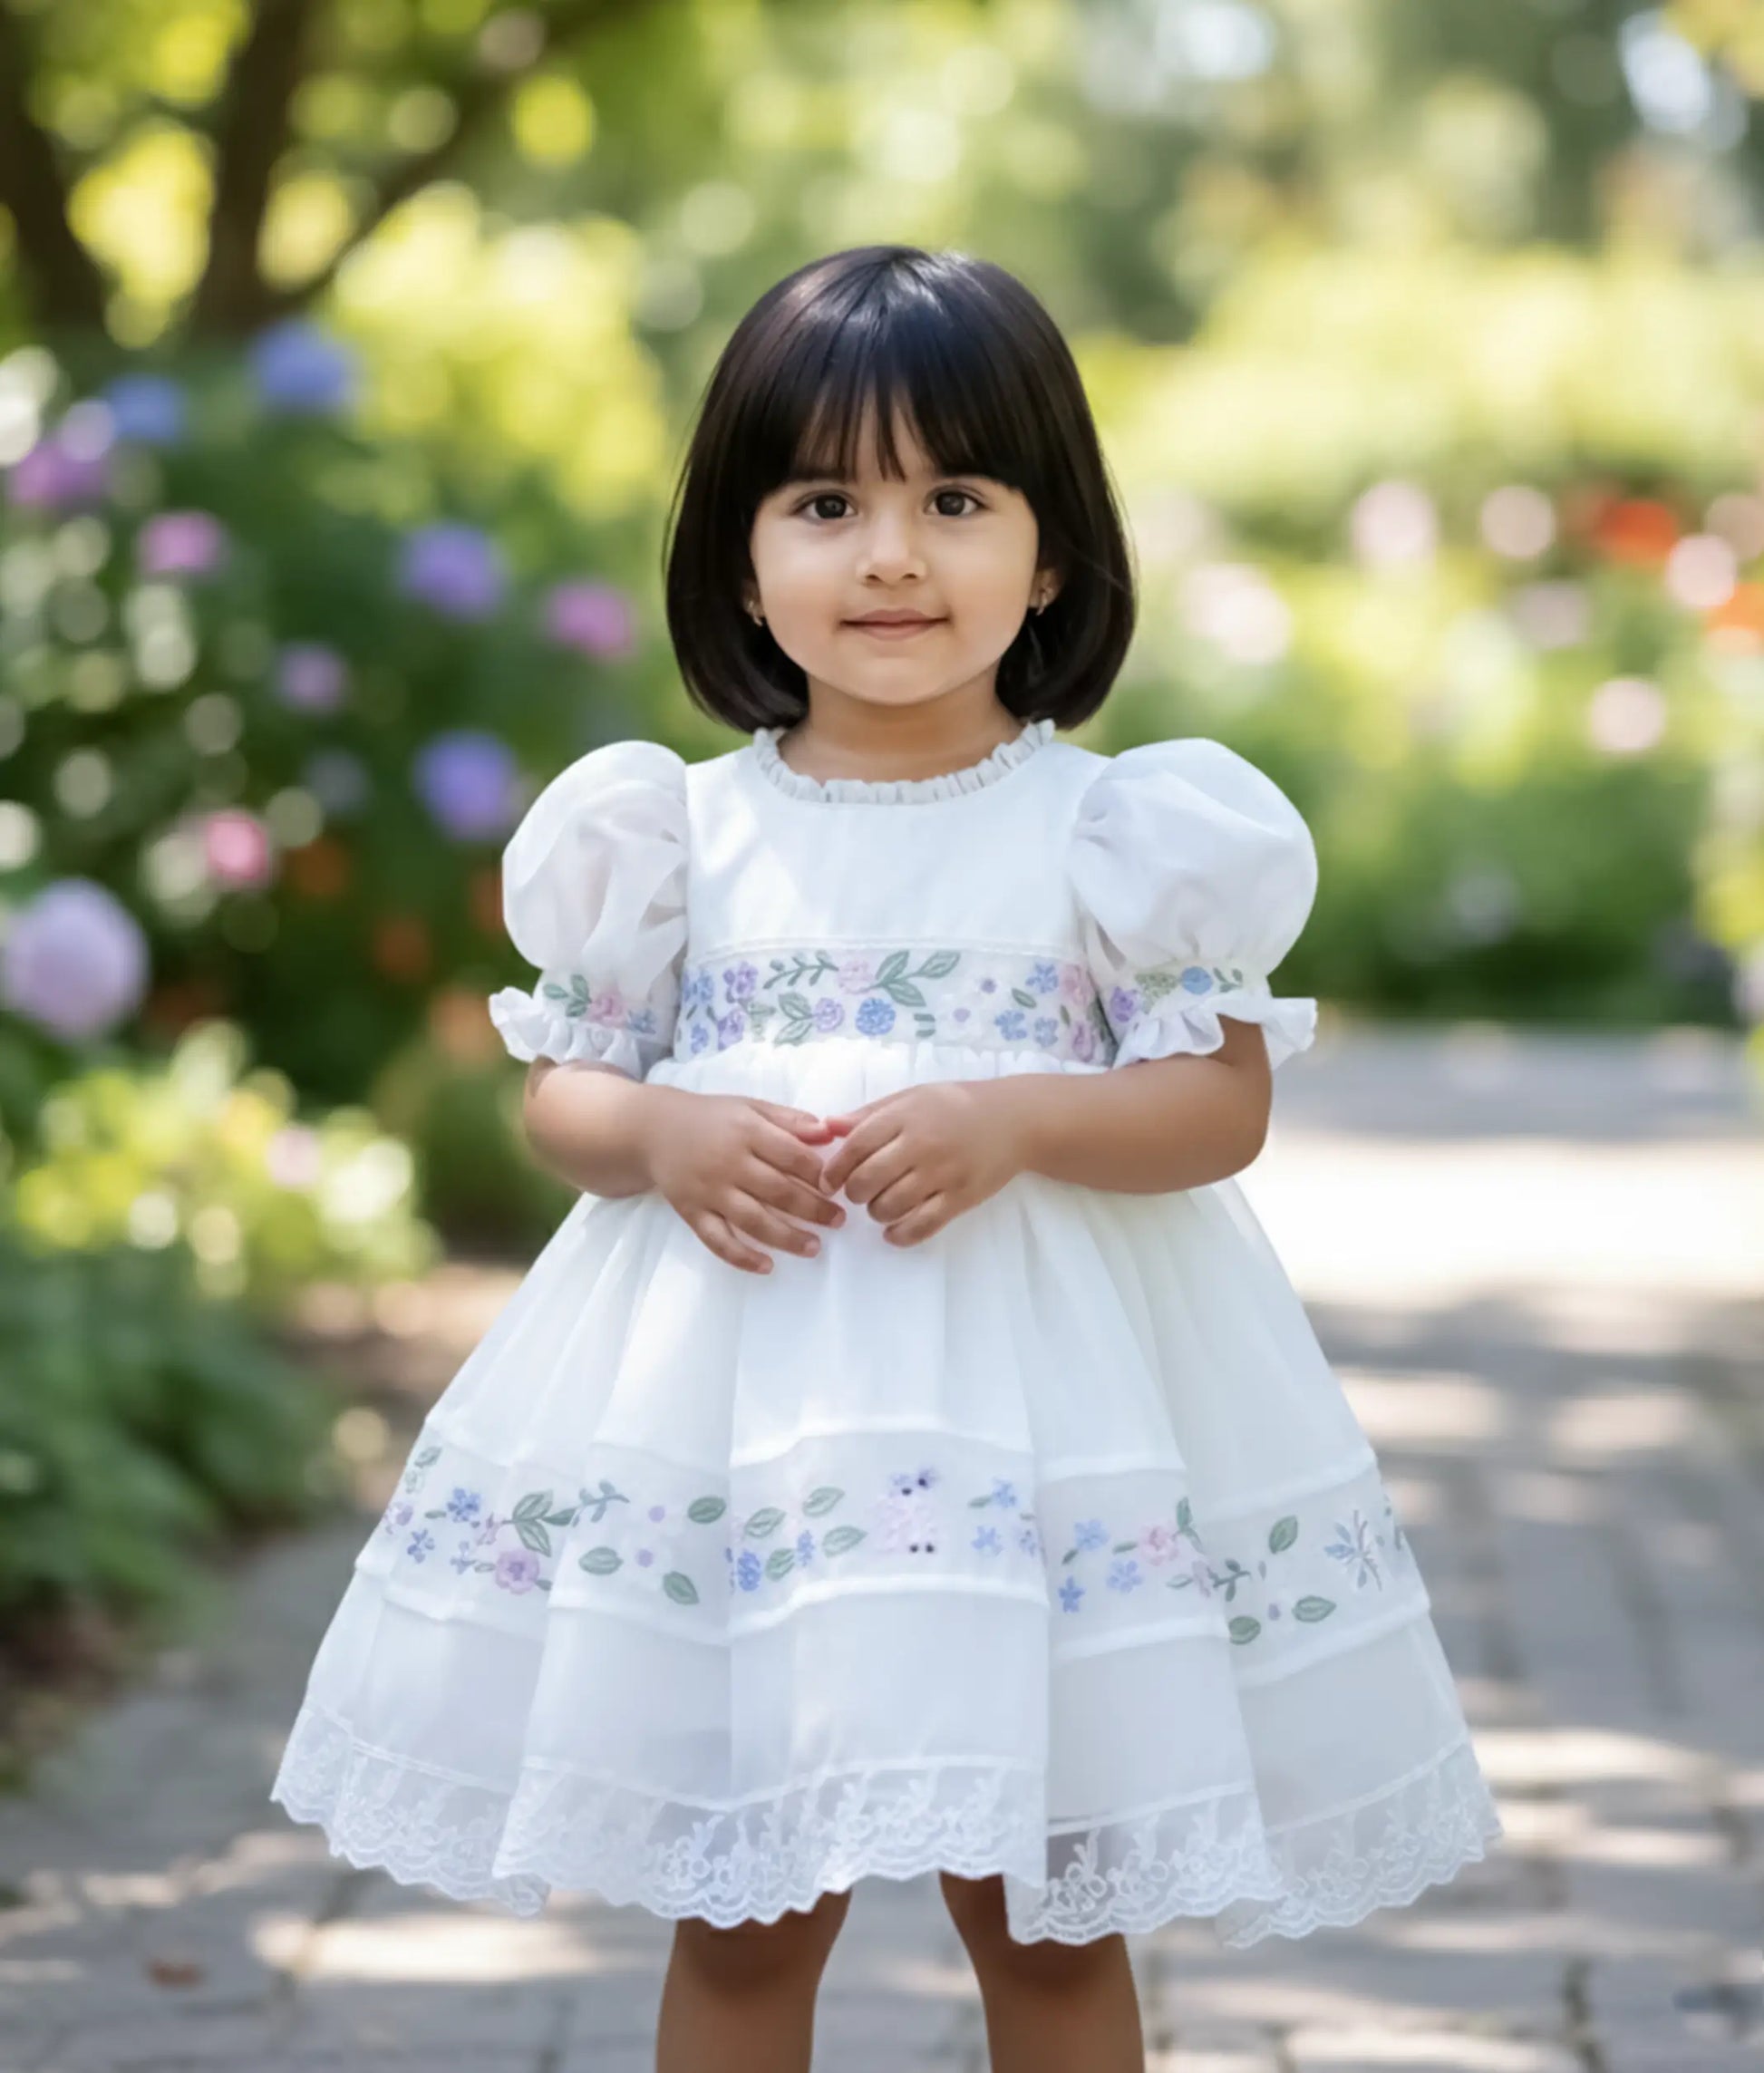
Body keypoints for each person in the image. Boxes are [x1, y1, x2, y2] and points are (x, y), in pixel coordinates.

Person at [270, 246, 1503, 2073]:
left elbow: (1215, 1108)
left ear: (1057, 548)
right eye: (826, 500)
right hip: (757, 1448)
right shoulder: (673, 837)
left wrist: (1021, 1115)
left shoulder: (1117, 836)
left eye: (957, 498)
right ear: (741, 560)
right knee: (750, 1921)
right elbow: (566, 1096)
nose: (892, 555)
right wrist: (661, 1130)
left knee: (1054, 1924)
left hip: (1048, 1449)